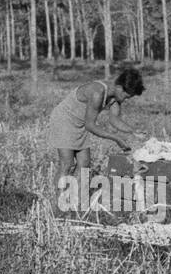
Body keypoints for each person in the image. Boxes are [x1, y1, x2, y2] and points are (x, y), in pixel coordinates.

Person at [46, 67, 146, 206]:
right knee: (67, 163)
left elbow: (114, 119)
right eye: (126, 96)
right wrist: (117, 139)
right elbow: (90, 126)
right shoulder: (98, 92)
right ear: (119, 87)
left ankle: (75, 201)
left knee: (85, 164)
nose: (125, 99)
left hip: (81, 123)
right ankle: (58, 203)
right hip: (65, 119)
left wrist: (132, 131)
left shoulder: (115, 98)